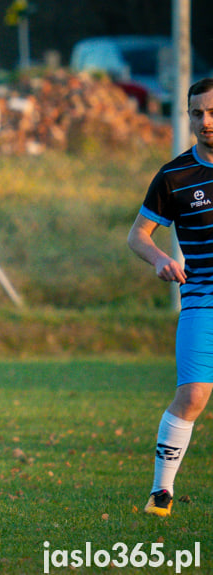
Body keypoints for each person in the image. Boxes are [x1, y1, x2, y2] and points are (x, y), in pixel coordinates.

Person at [128, 77, 213, 518]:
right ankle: (161, 492)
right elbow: (137, 235)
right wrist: (161, 258)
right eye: (198, 113)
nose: (206, 121)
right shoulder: (175, 176)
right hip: (203, 300)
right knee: (195, 395)